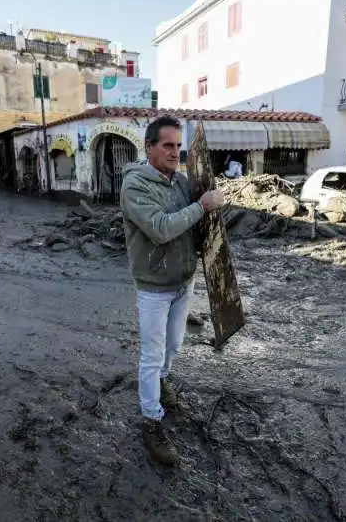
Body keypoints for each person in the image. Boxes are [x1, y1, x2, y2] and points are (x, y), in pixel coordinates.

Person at [120, 116, 225, 466]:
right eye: (167, 145)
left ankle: (163, 383)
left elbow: (196, 223)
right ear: (149, 147)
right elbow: (162, 229)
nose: (174, 152)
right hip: (153, 287)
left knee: (175, 345)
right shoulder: (135, 187)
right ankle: (151, 421)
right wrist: (202, 206)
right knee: (151, 355)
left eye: (178, 146)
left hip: (183, 281)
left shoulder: (179, 182)